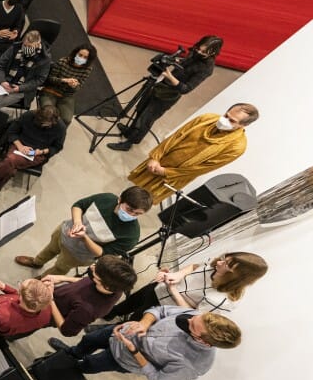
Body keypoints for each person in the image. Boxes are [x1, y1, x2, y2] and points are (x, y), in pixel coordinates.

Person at [48, 307, 242, 380]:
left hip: (124, 358)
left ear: (204, 342)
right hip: (122, 331)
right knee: (89, 340)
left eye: (192, 326)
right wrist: (143, 323)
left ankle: (65, 367)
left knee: (90, 364)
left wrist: (135, 352)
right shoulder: (198, 317)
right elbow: (160, 310)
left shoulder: (193, 365)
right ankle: (68, 354)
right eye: (193, 318)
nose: (188, 319)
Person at [125, 104, 258, 204]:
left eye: (232, 121)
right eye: (226, 115)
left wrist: (166, 172)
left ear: (243, 125)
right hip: (160, 160)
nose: (225, 120)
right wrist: (155, 157)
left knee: (142, 199)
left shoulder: (237, 147)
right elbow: (176, 136)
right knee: (133, 187)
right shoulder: (207, 118)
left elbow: (202, 168)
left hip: (174, 175)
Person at [108, 36, 224, 150]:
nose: (198, 52)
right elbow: (185, 63)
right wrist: (177, 61)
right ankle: (130, 131)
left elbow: (186, 89)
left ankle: (129, 143)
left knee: (146, 118)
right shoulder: (195, 52)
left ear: (213, 52)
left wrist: (170, 76)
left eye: (203, 52)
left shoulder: (207, 69)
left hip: (169, 95)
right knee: (141, 109)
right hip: (161, 84)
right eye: (198, 48)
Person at [16, 186, 153, 276]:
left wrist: (84, 237)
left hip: (77, 254)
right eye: (129, 210)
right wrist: (77, 223)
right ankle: (37, 262)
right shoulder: (106, 199)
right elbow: (79, 205)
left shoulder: (131, 235)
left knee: (59, 268)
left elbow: (104, 254)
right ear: (120, 200)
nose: (131, 215)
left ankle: (41, 280)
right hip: (64, 231)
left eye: (137, 214)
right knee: (50, 249)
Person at [106, 253, 267, 323]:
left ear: (236, 276)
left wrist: (174, 291)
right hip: (158, 288)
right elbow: (194, 266)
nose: (219, 263)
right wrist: (178, 275)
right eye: (225, 259)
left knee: (137, 319)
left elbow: (192, 314)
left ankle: (109, 333)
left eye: (226, 265)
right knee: (130, 302)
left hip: (164, 307)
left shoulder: (223, 300)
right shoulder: (217, 264)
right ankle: (108, 314)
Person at [0, 105, 66, 201]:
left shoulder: (60, 128)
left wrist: (41, 151)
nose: (43, 125)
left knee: (10, 160)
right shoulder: (29, 116)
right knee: (11, 167)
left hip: (37, 154)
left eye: (46, 124)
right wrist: (20, 146)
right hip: (19, 145)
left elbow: (57, 147)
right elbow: (12, 131)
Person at [47, 255, 138, 337]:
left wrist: (50, 299)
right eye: (95, 265)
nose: (92, 267)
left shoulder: (87, 310)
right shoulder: (116, 287)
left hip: (47, 313)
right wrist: (63, 278)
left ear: (106, 286)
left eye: (96, 272)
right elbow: (86, 282)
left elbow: (66, 331)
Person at [0, 271, 54, 339]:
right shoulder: (45, 311)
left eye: (20, 284)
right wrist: (4, 287)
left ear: (21, 296)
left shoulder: (2, 316)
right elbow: (24, 297)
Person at [0, 30, 51, 108]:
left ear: (37, 44)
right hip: (4, 82)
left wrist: (19, 88)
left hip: (22, 89)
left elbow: (39, 79)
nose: (26, 48)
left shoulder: (44, 59)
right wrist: (2, 81)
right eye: (25, 45)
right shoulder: (15, 48)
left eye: (30, 47)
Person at [38, 43, 97, 125]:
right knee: (48, 114)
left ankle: (56, 136)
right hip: (51, 91)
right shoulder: (63, 62)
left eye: (85, 57)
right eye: (80, 55)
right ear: (76, 53)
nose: (81, 58)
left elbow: (79, 87)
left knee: (66, 120)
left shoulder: (87, 69)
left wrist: (74, 86)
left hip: (67, 96)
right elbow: (50, 79)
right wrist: (63, 80)